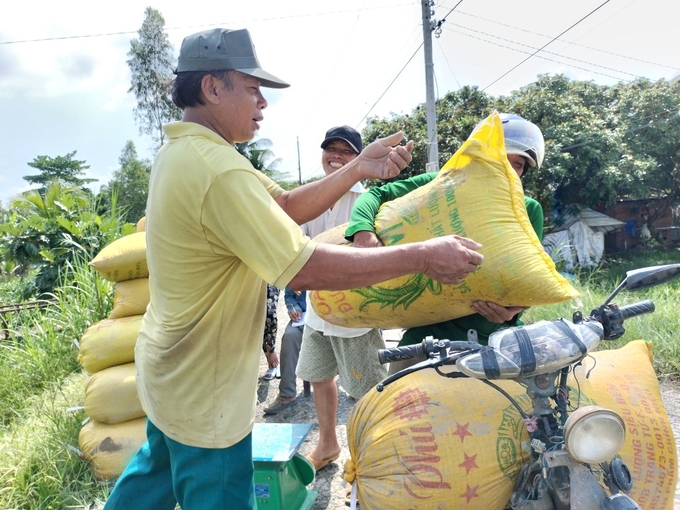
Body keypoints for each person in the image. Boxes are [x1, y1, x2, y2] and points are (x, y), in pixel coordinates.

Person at [102, 27, 484, 510]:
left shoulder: (189, 151)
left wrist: (358, 169)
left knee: (152, 478)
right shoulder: (217, 169)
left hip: (172, 368)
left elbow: (283, 204)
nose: (263, 102)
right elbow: (301, 268)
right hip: (206, 384)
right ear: (212, 87)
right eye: (253, 88)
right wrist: (424, 256)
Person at [345, 113, 545, 374]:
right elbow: (376, 195)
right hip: (426, 339)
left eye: (517, 165)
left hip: (493, 341)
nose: (509, 170)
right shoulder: (443, 186)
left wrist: (512, 311)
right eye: (501, 159)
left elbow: (526, 279)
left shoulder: (529, 210)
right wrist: (363, 233)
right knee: (397, 406)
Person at [294, 127, 388, 472]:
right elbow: (296, 240)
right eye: (330, 149)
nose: (335, 155)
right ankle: (328, 444)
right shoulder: (311, 197)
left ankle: (374, 454)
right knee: (319, 377)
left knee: (365, 387)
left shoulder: (368, 199)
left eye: (345, 151)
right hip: (317, 309)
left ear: (360, 158)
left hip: (355, 311)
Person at [263, 286, 306, 411]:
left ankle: (355, 388)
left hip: (329, 319)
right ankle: (287, 394)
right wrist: (294, 308)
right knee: (289, 336)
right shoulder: (297, 268)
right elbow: (289, 295)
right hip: (303, 318)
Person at [262, 284, 280, 380]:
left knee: (269, 314)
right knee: (255, 319)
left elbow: (271, 317)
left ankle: (272, 358)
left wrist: (271, 349)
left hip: (269, 277)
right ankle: (269, 356)